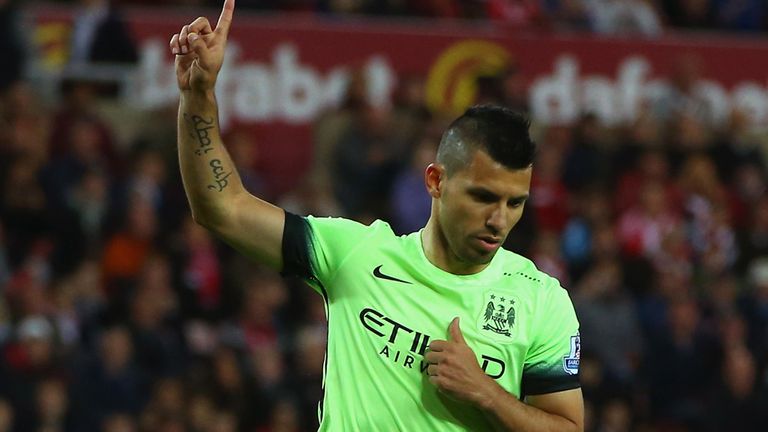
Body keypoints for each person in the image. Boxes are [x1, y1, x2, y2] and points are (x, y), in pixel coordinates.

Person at [169, 1, 584, 430]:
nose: (499, 219)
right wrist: (197, 96)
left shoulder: (541, 300)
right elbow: (222, 207)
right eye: (483, 197)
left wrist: (486, 392)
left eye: (515, 203)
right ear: (436, 182)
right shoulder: (356, 255)